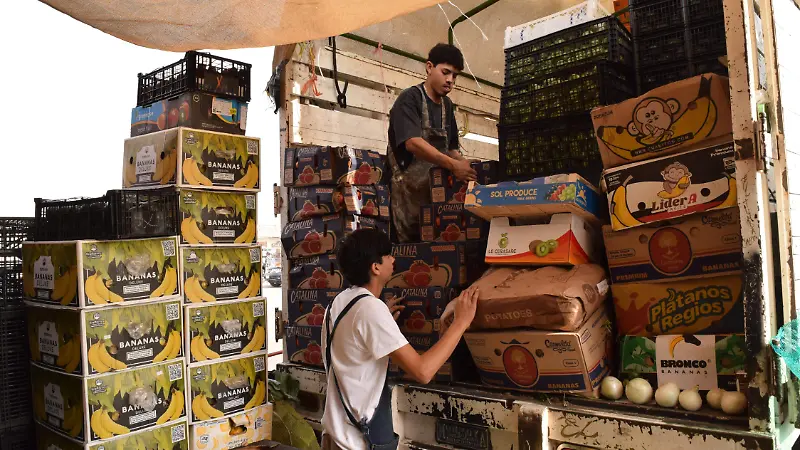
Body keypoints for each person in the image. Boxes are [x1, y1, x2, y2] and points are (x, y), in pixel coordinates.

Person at [321, 229, 479, 450]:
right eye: (388, 255)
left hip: (334, 435)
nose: (393, 259)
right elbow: (423, 371)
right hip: (356, 443)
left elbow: (353, 347)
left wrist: (382, 319)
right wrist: (461, 322)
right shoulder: (370, 309)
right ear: (375, 267)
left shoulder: (338, 303)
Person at [387, 43, 478, 242]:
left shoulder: (447, 105)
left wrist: (466, 166)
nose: (450, 80)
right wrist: (454, 166)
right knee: (412, 248)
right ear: (429, 67)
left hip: (437, 195)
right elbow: (412, 143)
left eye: (455, 76)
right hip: (409, 195)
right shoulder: (410, 99)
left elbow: (451, 149)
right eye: (445, 72)